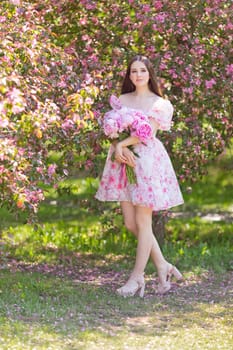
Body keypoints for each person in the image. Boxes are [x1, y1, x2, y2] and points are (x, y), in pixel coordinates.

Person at [95, 55, 184, 297]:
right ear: (129, 75)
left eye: (142, 71)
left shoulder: (159, 103)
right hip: (123, 162)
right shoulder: (122, 100)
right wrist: (117, 145)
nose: (137, 75)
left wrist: (123, 144)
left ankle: (136, 278)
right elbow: (112, 130)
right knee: (131, 223)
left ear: (149, 74)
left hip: (146, 162)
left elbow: (147, 133)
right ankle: (163, 266)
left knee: (143, 222)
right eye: (133, 71)